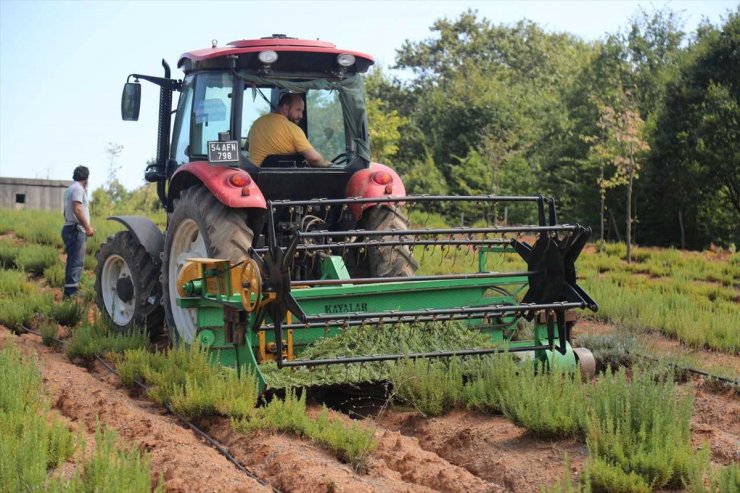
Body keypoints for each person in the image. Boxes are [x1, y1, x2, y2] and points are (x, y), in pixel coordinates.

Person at [247, 93, 330, 167]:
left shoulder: (257, 123)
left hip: (254, 179)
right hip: (282, 181)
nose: (301, 116)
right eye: (298, 110)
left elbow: (247, 146)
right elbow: (314, 159)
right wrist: (329, 164)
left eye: (302, 111)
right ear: (286, 108)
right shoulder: (293, 129)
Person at [61, 165, 95, 298]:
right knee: (76, 262)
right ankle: (70, 294)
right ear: (86, 178)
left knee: (73, 261)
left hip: (70, 228)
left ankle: (70, 291)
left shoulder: (70, 189)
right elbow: (77, 209)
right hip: (75, 230)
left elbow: (65, 212)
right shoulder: (78, 189)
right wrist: (86, 227)